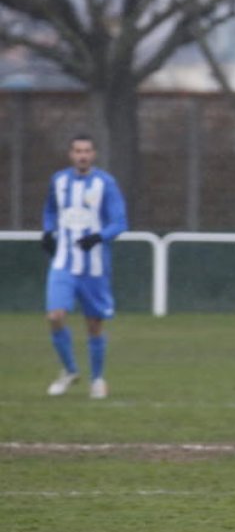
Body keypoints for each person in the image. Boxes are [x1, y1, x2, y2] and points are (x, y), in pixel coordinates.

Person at [41, 134, 128, 400]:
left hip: (94, 267)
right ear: (71, 154)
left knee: (94, 325)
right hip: (63, 264)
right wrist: (47, 231)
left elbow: (121, 222)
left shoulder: (106, 183)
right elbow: (50, 210)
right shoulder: (59, 180)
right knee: (55, 316)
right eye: (78, 151)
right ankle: (69, 371)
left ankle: (97, 379)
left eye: (87, 151)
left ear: (94, 154)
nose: (82, 155)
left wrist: (97, 237)